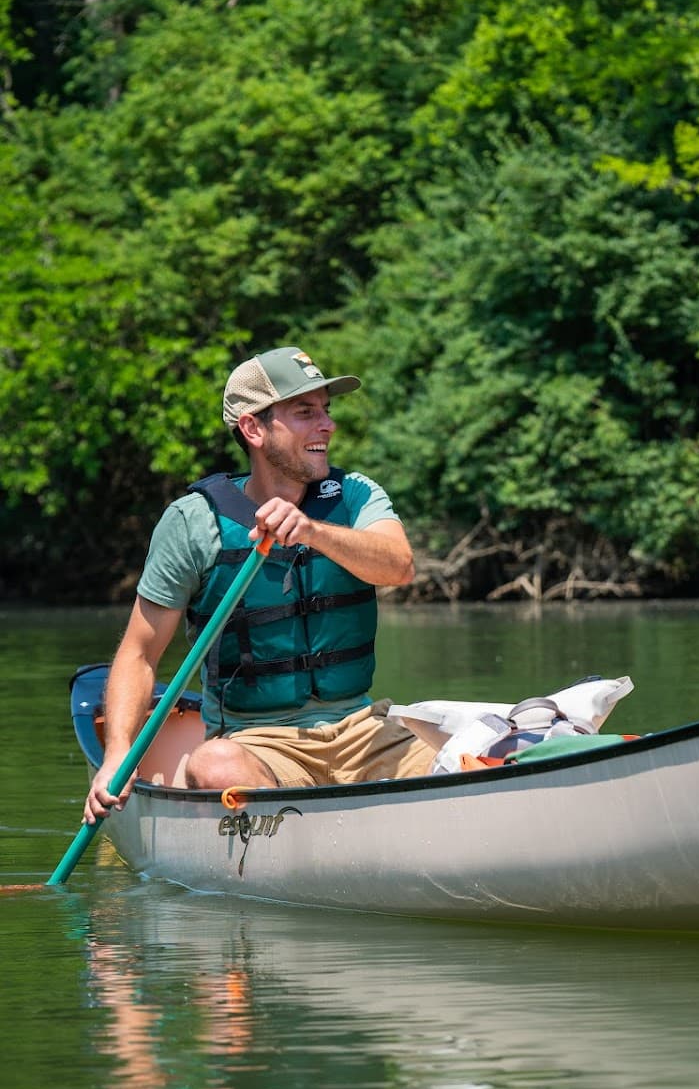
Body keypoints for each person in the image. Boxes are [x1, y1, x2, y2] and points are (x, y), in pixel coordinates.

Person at [83, 346, 435, 823]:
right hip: (258, 743)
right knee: (213, 762)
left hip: (363, 730)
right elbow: (140, 654)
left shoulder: (354, 495)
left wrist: (311, 530)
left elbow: (399, 567)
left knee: (477, 745)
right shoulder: (193, 523)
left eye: (326, 411)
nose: (326, 425)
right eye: (305, 413)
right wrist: (117, 755)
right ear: (253, 429)